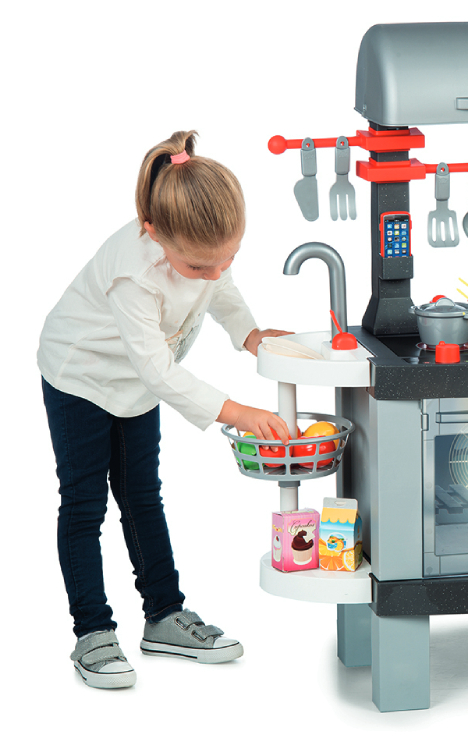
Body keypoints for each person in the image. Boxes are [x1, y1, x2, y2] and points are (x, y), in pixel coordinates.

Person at [38, 130, 292, 689]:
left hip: (137, 382)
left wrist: (249, 334)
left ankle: (164, 616)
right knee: (84, 504)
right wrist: (235, 411)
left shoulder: (203, 250)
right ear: (154, 233)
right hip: (80, 378)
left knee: (142, 495)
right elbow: (159, 370)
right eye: (200, 266)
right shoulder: (134, 273)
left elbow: (220, 290)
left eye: (228, 258)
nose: (216, 273)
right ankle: (92, 631)